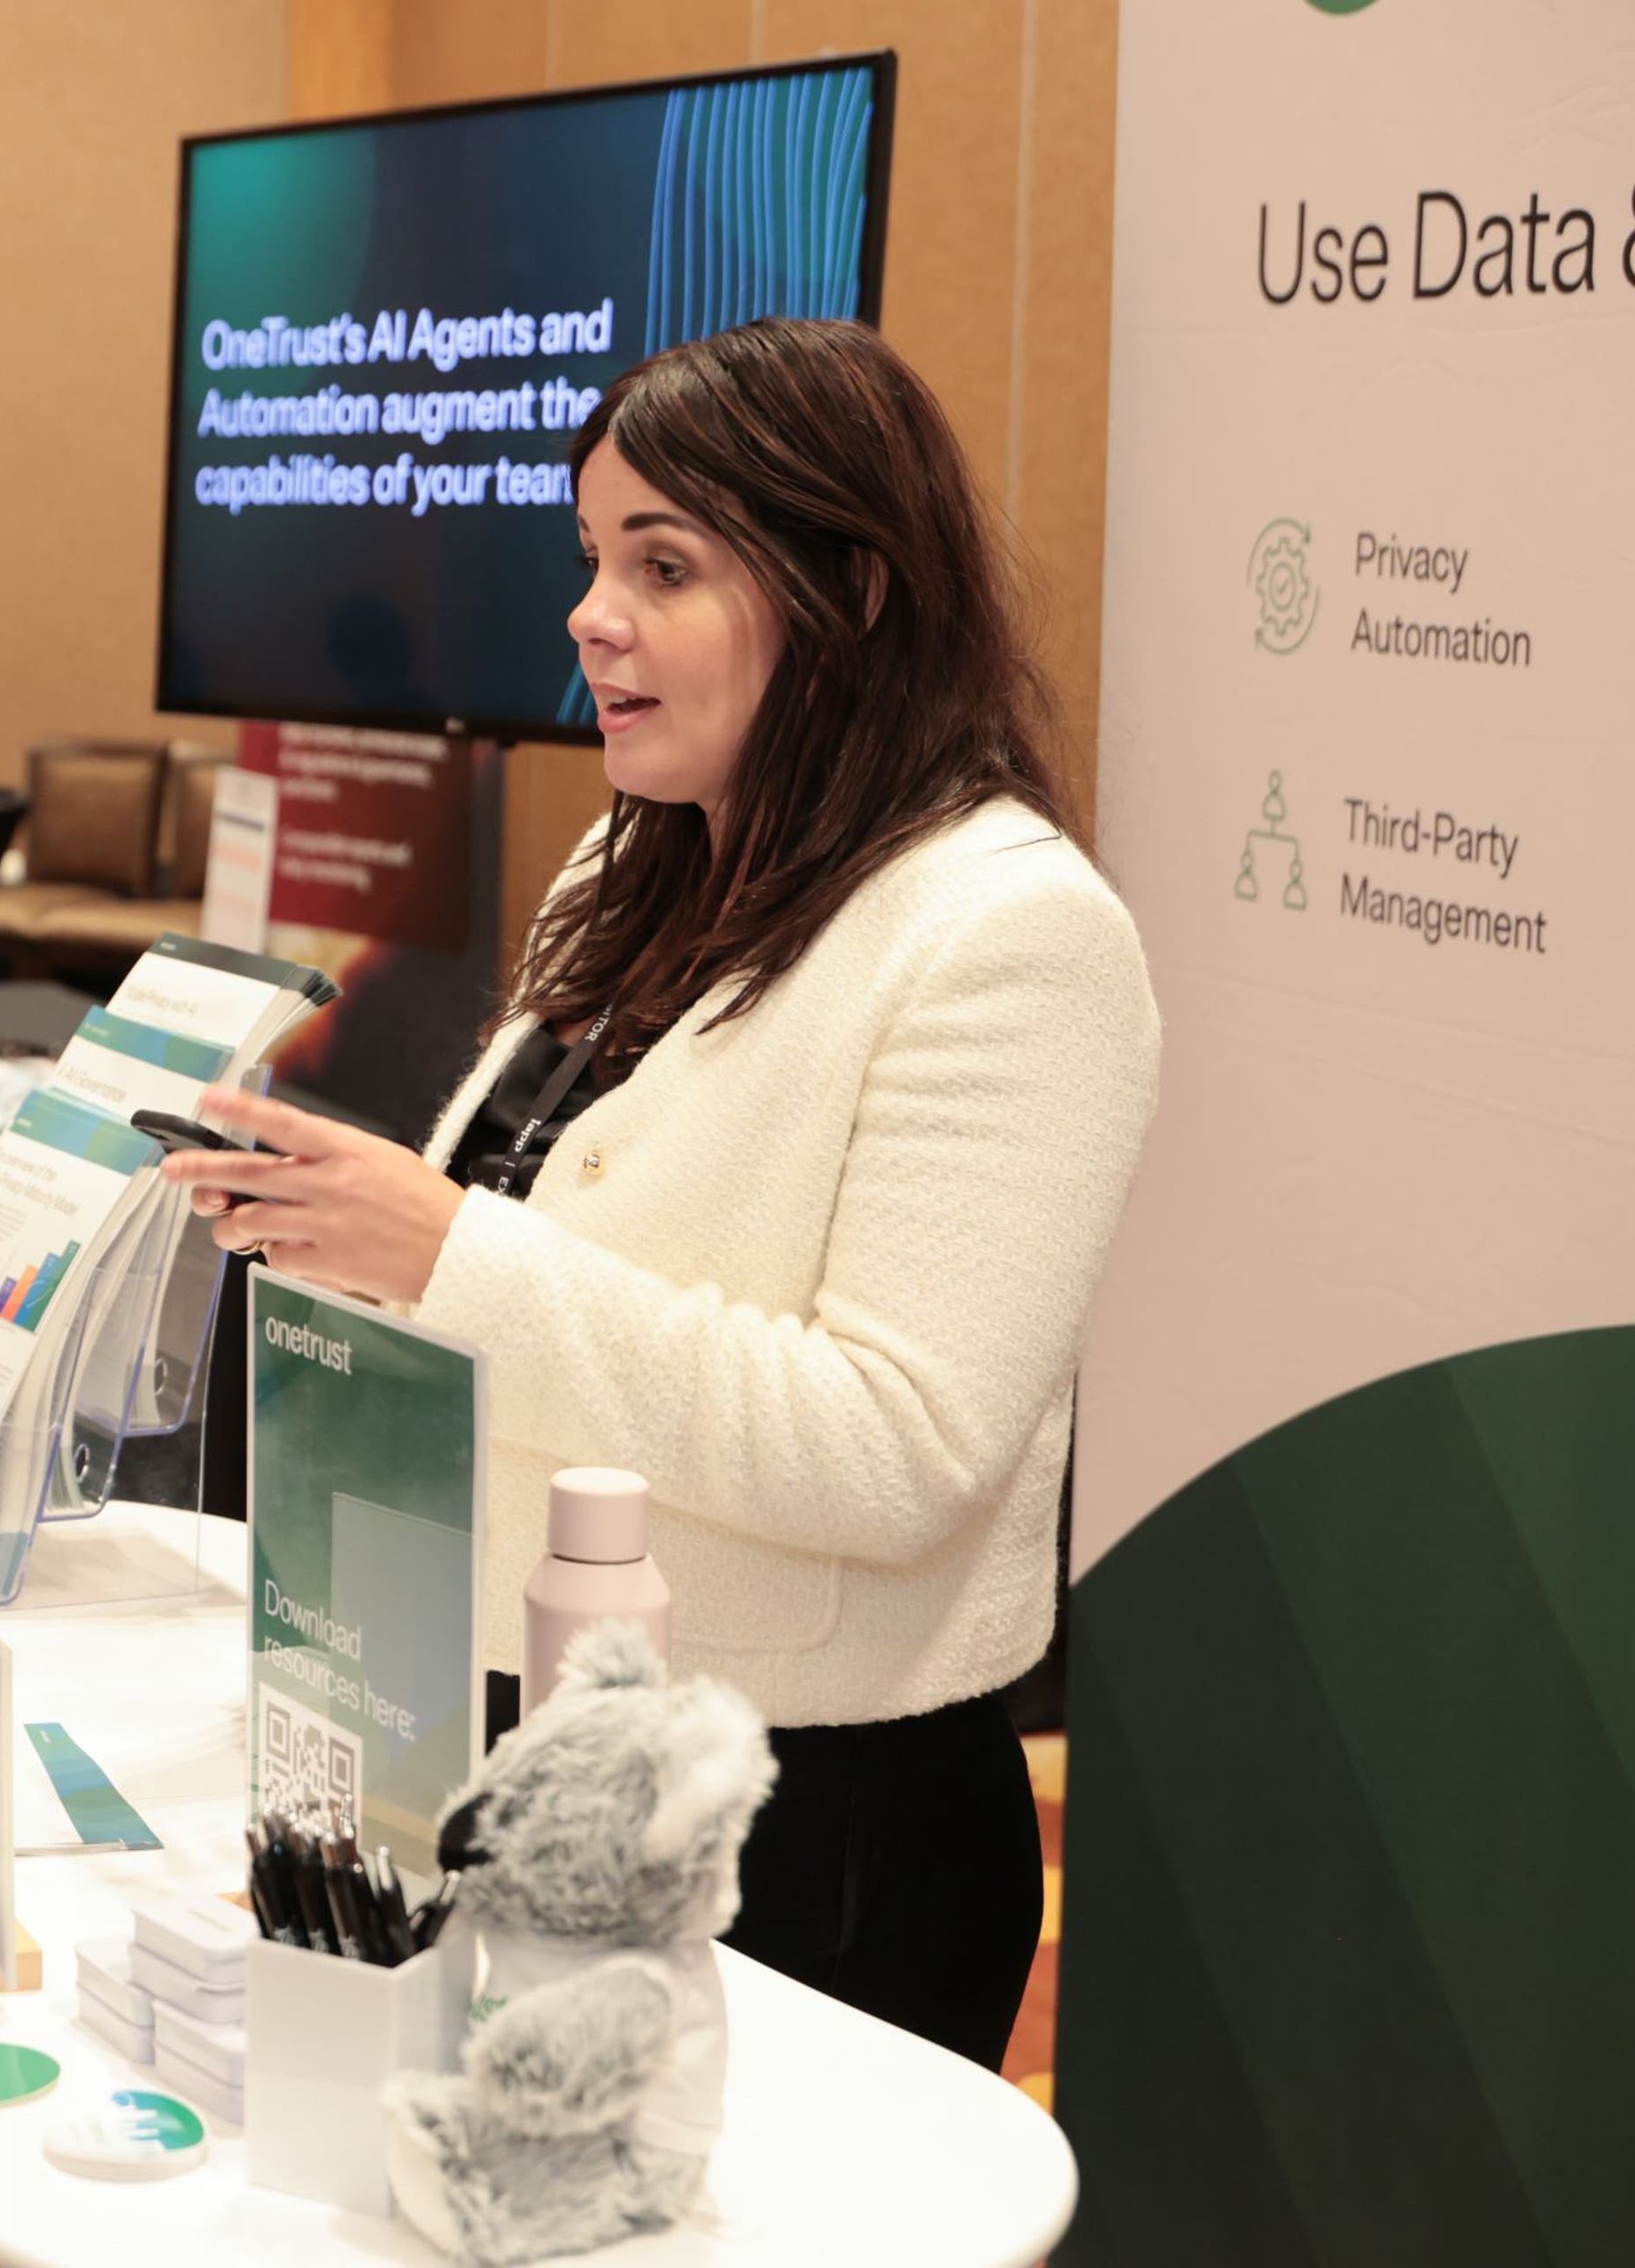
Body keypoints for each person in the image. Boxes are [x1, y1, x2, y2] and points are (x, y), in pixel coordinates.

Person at [159, 318, 1160, 2073]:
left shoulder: (1013, 937)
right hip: (511, 1735)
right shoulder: (635, 859)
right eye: (591, 558)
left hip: (804, 1832)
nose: (590, 615)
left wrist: (448, 1254)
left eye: (664, 565)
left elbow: (902, 1447)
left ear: (851, 592)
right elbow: (505, 1253)